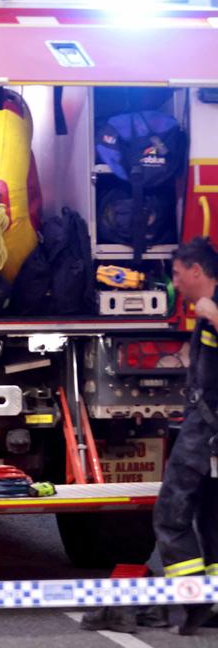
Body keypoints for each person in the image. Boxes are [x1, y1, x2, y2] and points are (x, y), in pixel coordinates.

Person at [155, 238, 218, 635]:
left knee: (171, 515)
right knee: (212, 516)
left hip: (206, 428)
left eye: (177, 274)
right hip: (208, 424)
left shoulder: (211, 307)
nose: (174, 282)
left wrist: (213, 315)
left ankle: (195, 600)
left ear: (196, 271)